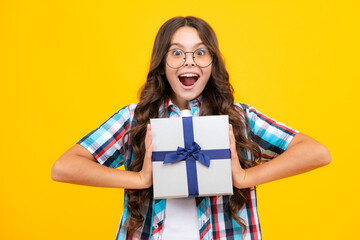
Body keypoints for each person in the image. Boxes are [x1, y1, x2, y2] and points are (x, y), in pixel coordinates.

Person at [51, 16, 331, 240]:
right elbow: (64, 167)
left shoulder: (238, 118)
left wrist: (245, 177)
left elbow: (316, 152)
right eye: (176, 53)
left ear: (212, 62)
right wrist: (139, 179)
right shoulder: (135, 119)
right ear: (162, 64)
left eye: (200, 52)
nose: (189, 61)